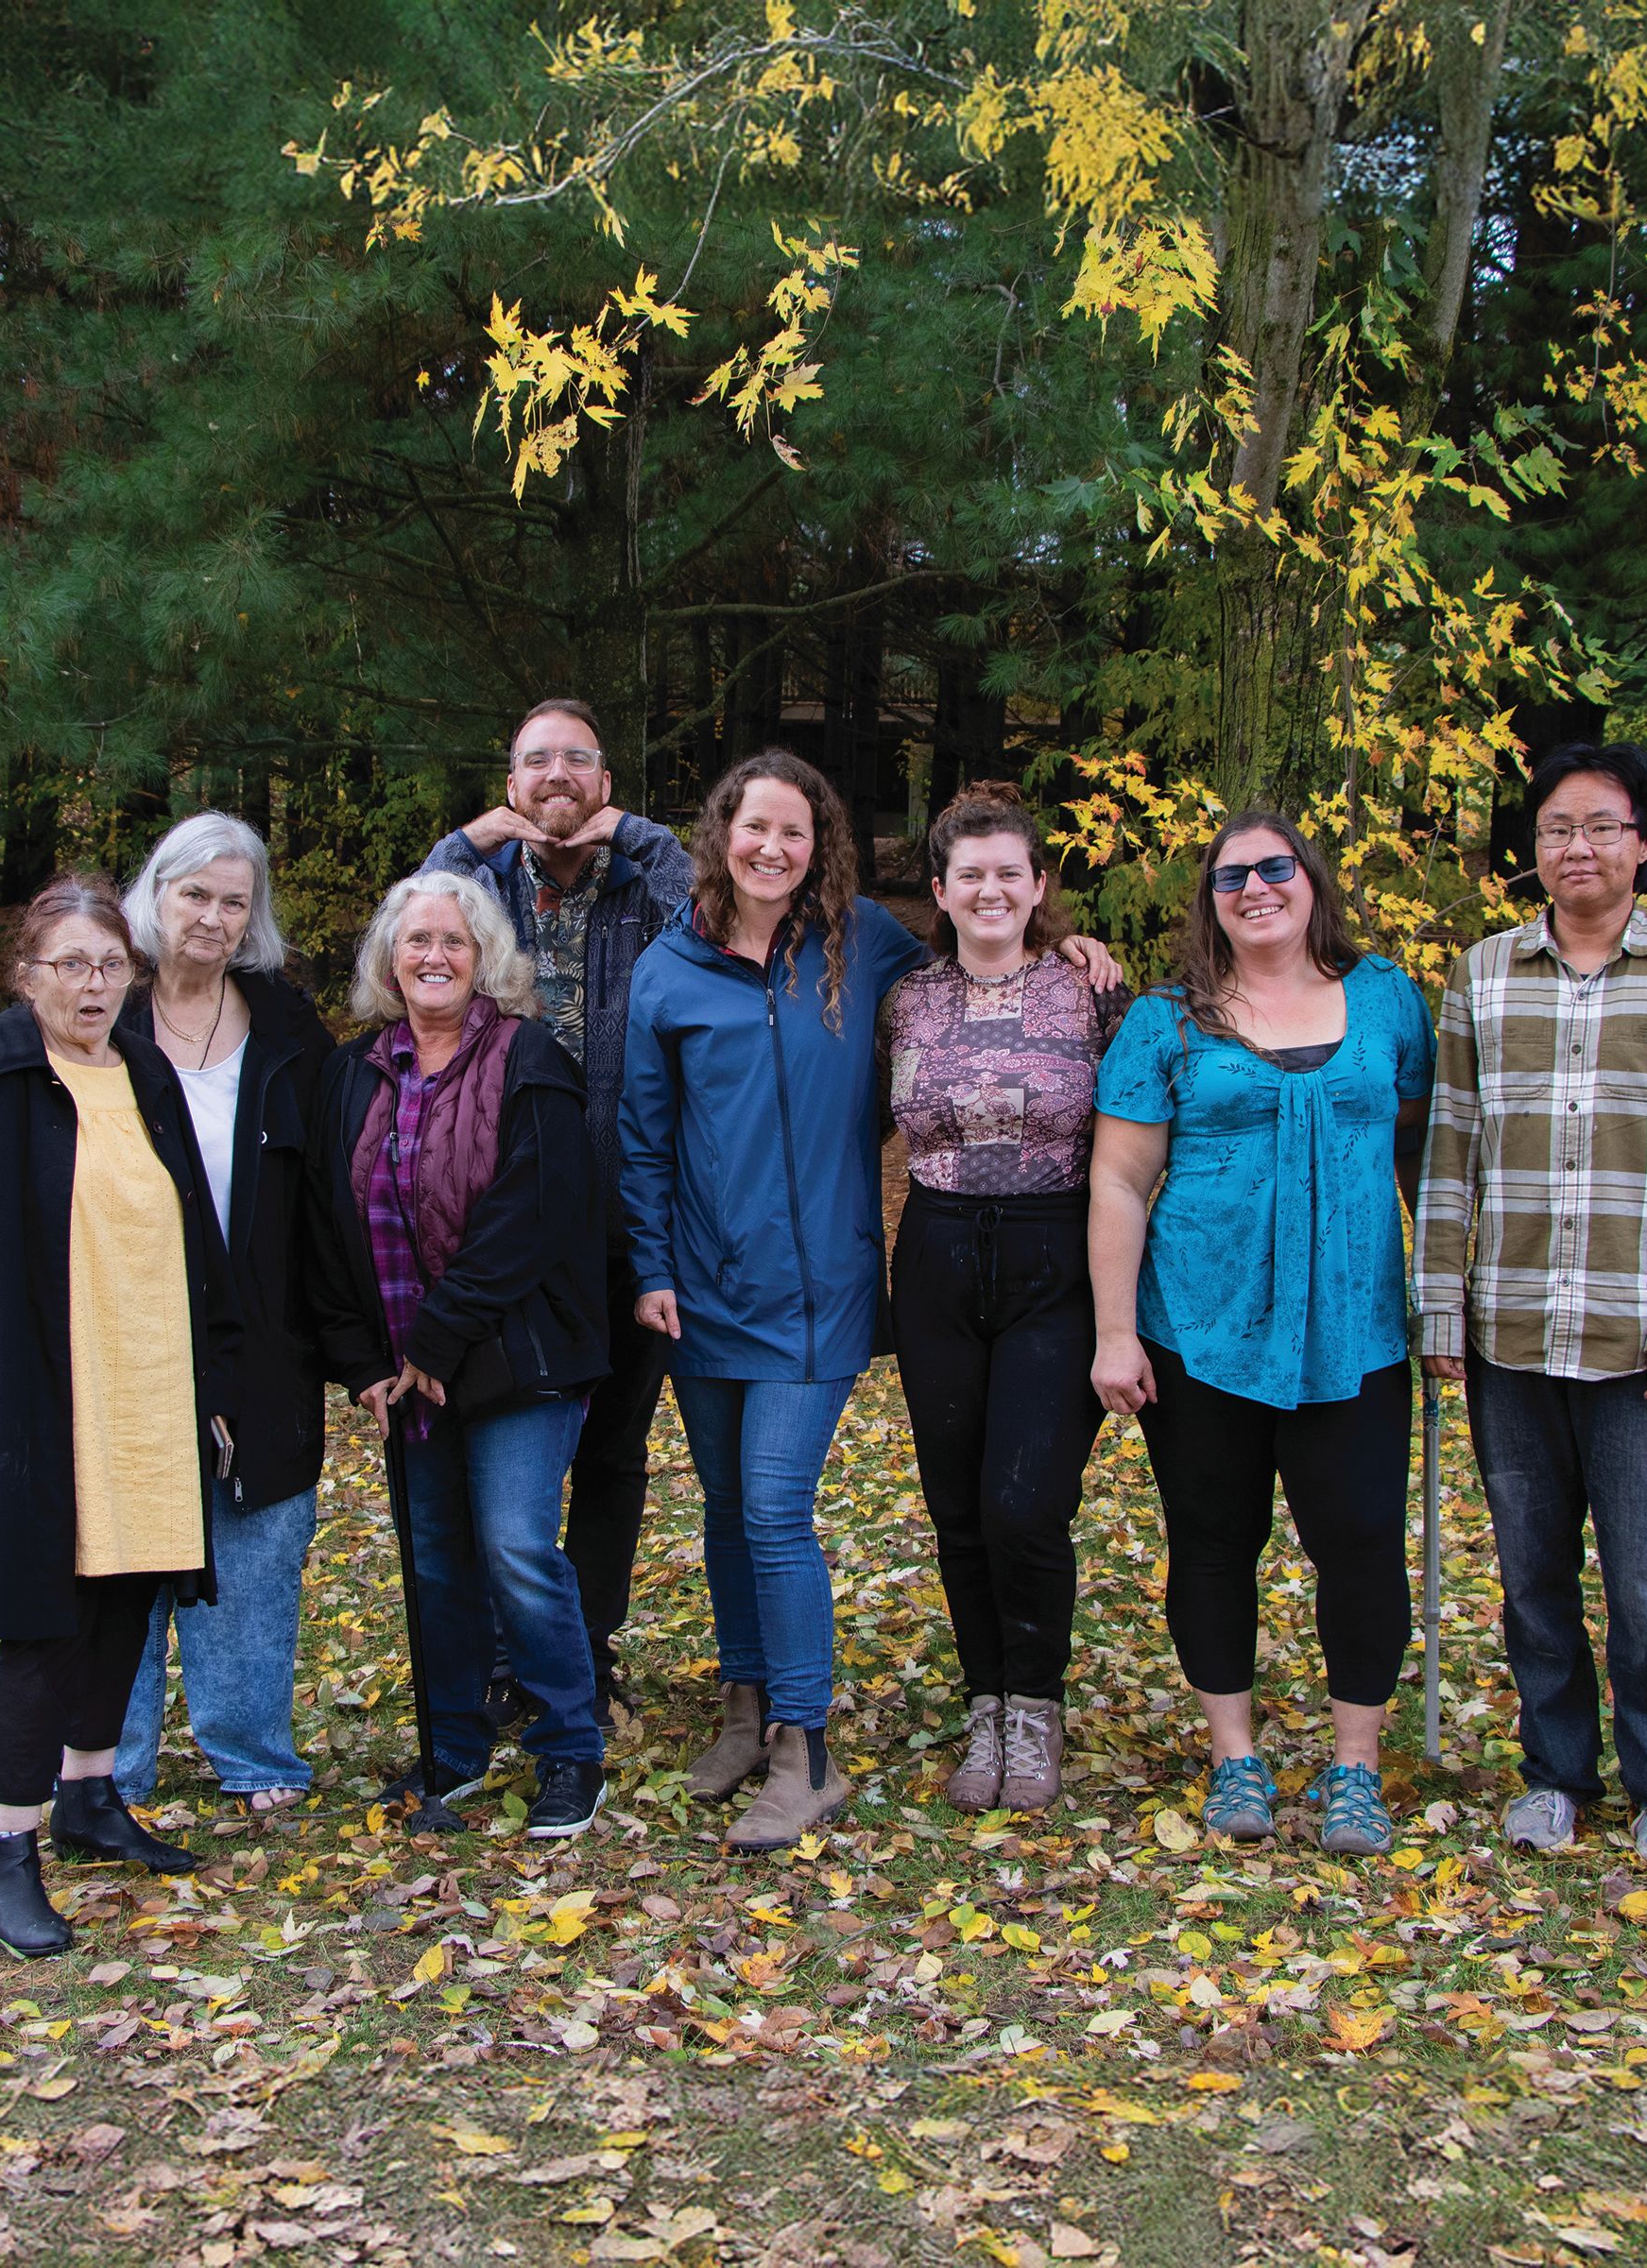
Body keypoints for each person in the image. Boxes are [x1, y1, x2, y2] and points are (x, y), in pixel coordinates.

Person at [622, 749, 1120, 1851]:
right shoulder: (668, 972)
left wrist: (1072, 946)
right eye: (756, 828)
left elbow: (987, 955)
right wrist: (651, 1267)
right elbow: (642, 1140)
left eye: (796, 833)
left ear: (821, 846)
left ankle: (808, 1751)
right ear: (723, 833)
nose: (773, 849)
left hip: (826, 1286)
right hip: (703, 1289)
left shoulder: (865, 947)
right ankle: (746, 1709)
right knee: (721, 1510)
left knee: (770, 1507)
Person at [0, 875, 239, 1957]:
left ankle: (90, 1797)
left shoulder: (138, 1069)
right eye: (70, 966)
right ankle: (5, 1847)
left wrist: (215, 1384)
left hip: (145, 1378)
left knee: (129, 1591)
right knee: (47, 1614)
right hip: (39, 1385)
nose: (93, 986)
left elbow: (191, 1227)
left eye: (109, 967)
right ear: (25, 976)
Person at [1416, 742, 1647, 1867]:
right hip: (1509, 1334)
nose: (1577, 848)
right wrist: (1441, 1308)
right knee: (1531, 1574)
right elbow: (1451, 1151)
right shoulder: (1483, 975)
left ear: (1644, 843)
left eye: (1602, 827)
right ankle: (1556, 1773)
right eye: (1558, 829)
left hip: (1634, 1341)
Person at [1089, 814, 1433, 1859]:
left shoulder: (1386, 1001)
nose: (1255, 888)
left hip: (1355, 1332)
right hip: (1200, 1331)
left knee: (1363, 1542)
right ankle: (1234, 1753)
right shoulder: (1166, 1022)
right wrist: (1115, 1333)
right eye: (1231, 876)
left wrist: (1449, 1297)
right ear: (1210, 900)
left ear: (1311, 881)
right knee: (1210, 1541)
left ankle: (1355, 1768)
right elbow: (1118, 1178)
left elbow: (1421, 1151)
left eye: (1274, 867)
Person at [306, 871, 610, 1838]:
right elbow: (328, 1226)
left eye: (454, 942)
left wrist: (439, 1336)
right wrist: (364, 1362)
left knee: (517, 1548)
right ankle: (454, 1751)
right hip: (404, 1371)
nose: (433, 957)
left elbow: (535, 1217)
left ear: (486, 959)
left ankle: (570, 1748)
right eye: (415, 941)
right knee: (436, 1561)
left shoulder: (532, 1060)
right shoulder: (356, 1073)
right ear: (387, 960)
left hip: (519, 1357)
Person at [420, 698, 693, 1721]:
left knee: (614, 1451)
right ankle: (505, 1656)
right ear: (510, 781)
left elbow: (708, 905)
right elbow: (414, 926)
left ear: (608, 785)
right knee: (507, 1442)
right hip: (500, 1221)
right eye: (536, 761)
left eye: (579, 759)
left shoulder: (643, 888)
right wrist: (466, 839)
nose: (556, 777)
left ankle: (588, 1646)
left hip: (626, 1218)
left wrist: (635, 835)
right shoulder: (479, 883)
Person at [882, 785, 1123, 1813]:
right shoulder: (907, 999)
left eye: (1008, 873)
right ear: (940, 890)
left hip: (1053, 1255)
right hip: (935, 1256)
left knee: (1024, 1502)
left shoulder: (1095, 994)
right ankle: (987, 1701)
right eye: (967, 874)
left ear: (1039, 888)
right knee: (957, 1506)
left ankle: (1038, 1703)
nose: (989, 889)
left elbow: (1137, 1144)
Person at [112, 814, 334, 1818]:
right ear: (154, 895)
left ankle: (252, 1752)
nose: (210, 916)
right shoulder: (102, 1016)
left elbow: (332, 1182)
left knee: (256, 1540)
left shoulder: (286, 1023)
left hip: (266, 1325)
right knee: (123, 1550)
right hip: (129, 1330)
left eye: (232, 900)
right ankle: (109, 1764)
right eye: (193, 893)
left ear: (255, 918)